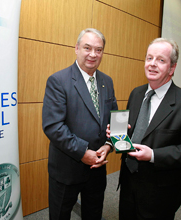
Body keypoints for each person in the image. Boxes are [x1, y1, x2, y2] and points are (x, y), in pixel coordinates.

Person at [110, 38, 181, 220]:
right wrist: (117, 134)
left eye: (161, 60)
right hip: (128, 184)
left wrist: (153, 155)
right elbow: (135, 131)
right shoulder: (136, 93)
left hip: (160, 193)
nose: (152, 64)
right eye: (149, 58)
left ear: (172, 68)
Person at [42, 28, 118, 220]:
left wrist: (109, 146)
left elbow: (114, 119)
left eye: (99, 50)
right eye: (87, 48)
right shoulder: (58, 81)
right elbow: (53, 126)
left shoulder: (107, 82)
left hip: (98, 168)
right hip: (67, 169)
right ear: (76, 48)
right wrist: (84, 153)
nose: (93, 54)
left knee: (93, 214)